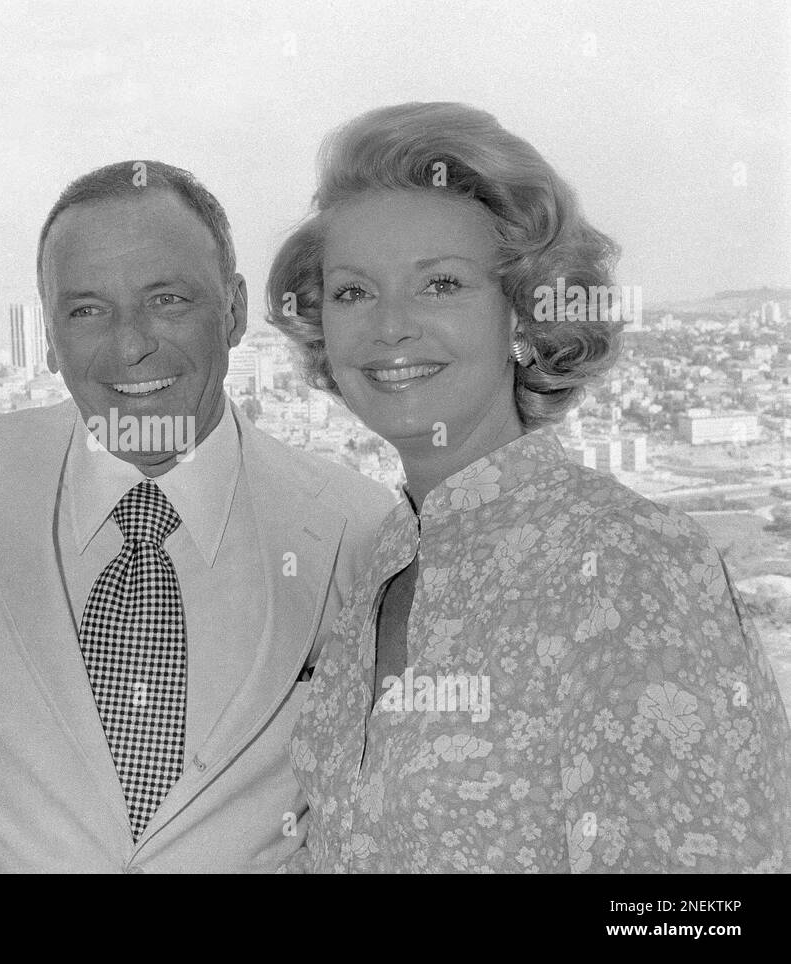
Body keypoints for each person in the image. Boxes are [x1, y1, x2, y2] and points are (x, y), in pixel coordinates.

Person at [267, 102, 791, 872]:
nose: (390, 327)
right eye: (353, 292)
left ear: (525, 314)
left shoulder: (629, 563)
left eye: (440, 284)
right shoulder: (386, 561)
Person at [0, 160, 392, 872]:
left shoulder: (355, 526)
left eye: (167, 300)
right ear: (49, 334)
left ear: (233, 311)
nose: (130, 345)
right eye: (87, 309)